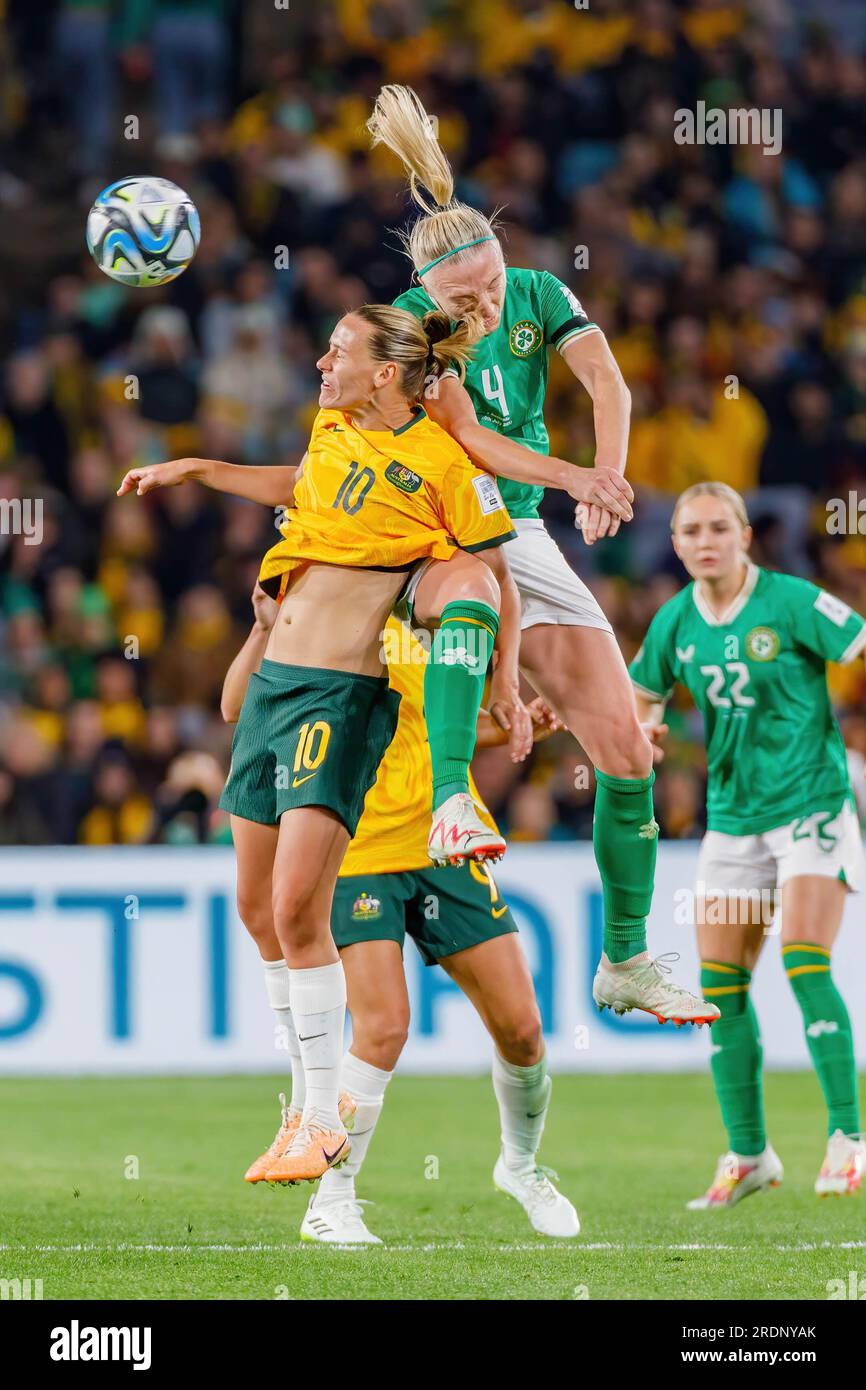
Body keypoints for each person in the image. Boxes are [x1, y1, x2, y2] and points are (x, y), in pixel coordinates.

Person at [118, 303, 530, 1183]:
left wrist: (504, 678)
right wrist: (198, 469)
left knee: (301, 908)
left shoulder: (442, 465)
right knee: (257, 910)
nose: (319, 360)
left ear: (387, 371)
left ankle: (316, 1119)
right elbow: (299, 483)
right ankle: (300, 1110)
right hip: (274, 688)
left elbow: (494, 573)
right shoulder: (333, 427)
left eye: (337, 351)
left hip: (340, 696)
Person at [366, 84, 715, 1026]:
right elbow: (475, 443)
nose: (480, 306)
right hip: (434, 529)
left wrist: (608, 472)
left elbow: (604, 376)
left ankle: (627, 961)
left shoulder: (536, 292)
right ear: (427, 293)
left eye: (489, 286)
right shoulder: (408, 327)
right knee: (459, 662)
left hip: (517, 529)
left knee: (628, 752)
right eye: (461, 298)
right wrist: (576, 480)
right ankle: (443, 798)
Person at [223, 596, 579, 1243]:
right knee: (384, 1028)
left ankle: (520, 1167)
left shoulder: (417, 626)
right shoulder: (324, 619)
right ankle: (331, 1199)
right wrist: (263, 627)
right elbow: (245, 710)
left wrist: (520, 721)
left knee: (523, 1030)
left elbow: (439, 725)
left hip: (443, 843)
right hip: (356, 847)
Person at [630, 481, 866, 1207]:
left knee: (803, 959)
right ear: (675, 544)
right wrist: (646, 730)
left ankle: (849, 1140)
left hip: (811, 805)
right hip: (732, 819)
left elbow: (859, 642)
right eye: (691, 531)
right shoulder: (675, 622)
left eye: (718, 529)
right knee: (722, 990)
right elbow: (644, 698)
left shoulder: (792, 602)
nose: (705, 541)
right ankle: (749, 1154)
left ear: (743, 536)